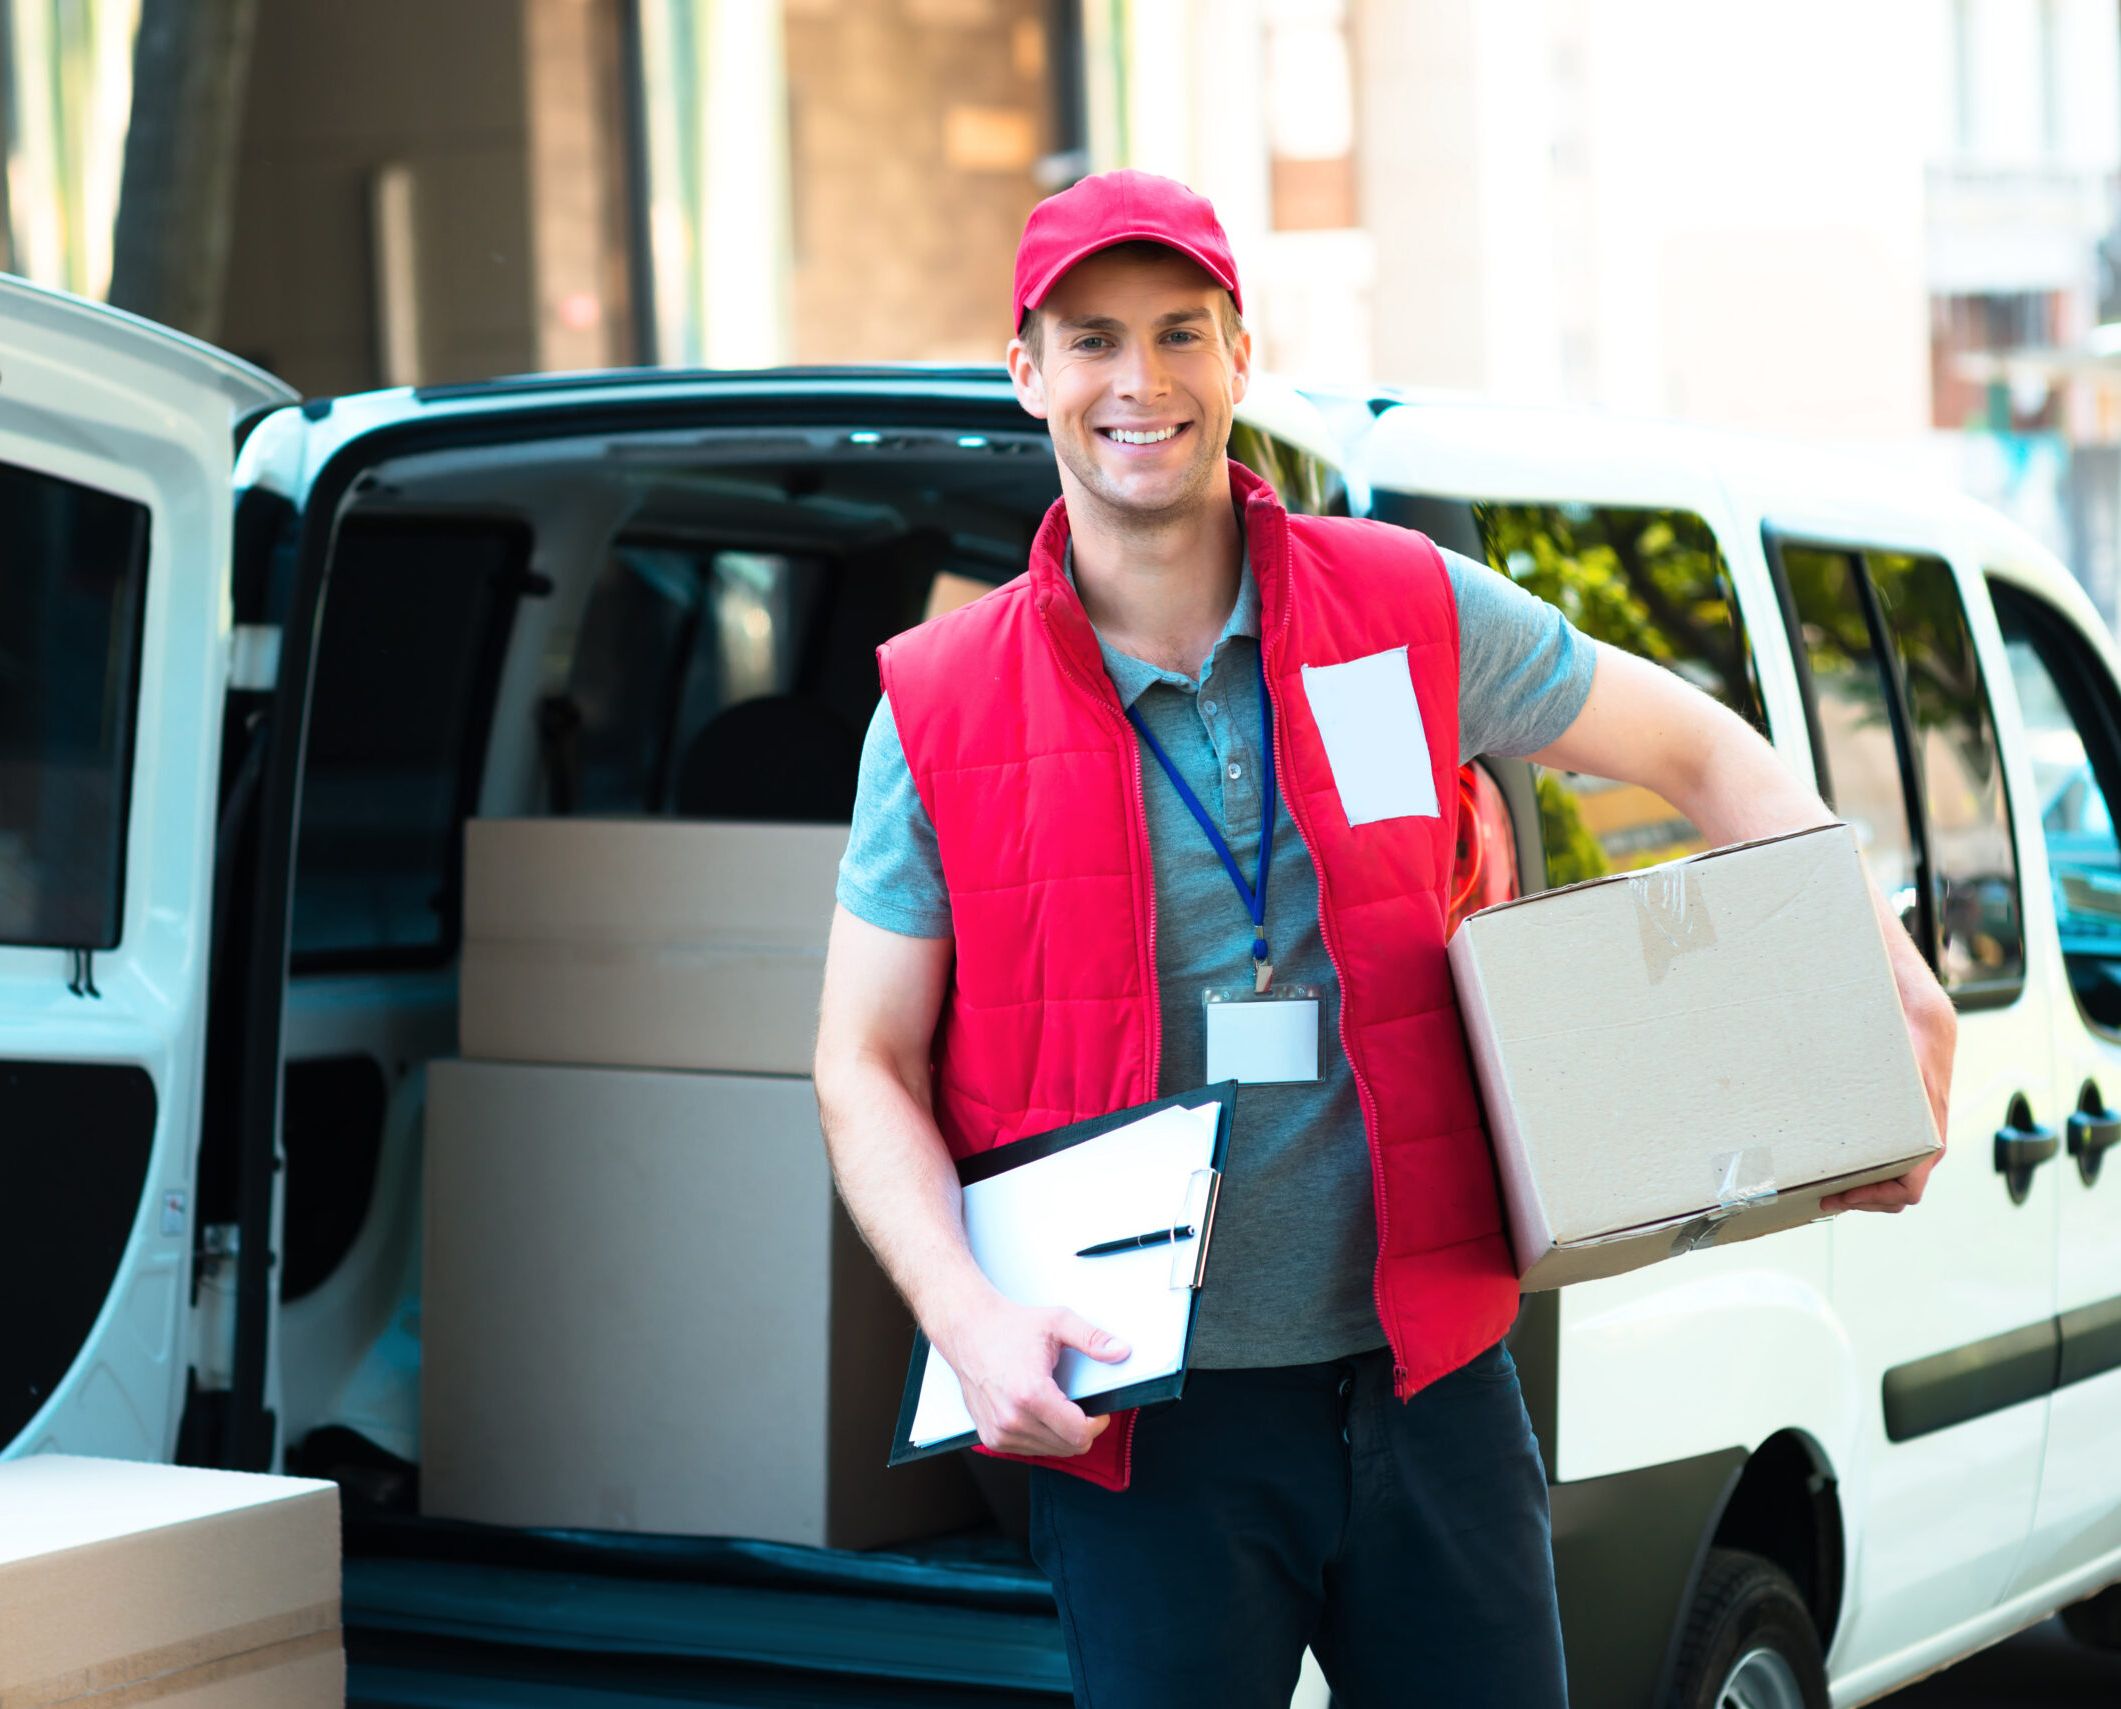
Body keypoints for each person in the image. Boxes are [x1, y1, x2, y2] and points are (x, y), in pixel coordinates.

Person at [811, 169, 1956, 1708]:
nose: (1138, 383)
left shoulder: (1405, 610)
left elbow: (1707, 756)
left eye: (1178, 333)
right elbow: (860, 1060)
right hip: (1143, 1428)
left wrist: (1873, 974)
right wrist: (965, 1317)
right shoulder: (939, 708)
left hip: (1429, 1390)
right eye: (1091, 341)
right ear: (1026, 372)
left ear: (1238, 353)